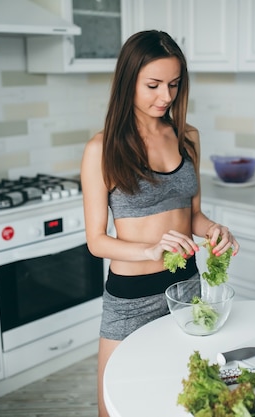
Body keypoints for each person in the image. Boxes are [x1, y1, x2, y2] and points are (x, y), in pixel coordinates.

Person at [80, 30, 240, 417]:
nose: (165, 96)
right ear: (127, 83)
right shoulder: (102, 150)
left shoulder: (187, 138)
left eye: (173, 84)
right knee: (112, 406)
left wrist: (215, 229)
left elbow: (193, 216)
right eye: (153, 85)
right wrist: (149, 250)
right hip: (130, 298)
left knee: (179, 399)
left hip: (187, 287)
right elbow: (96, 241)